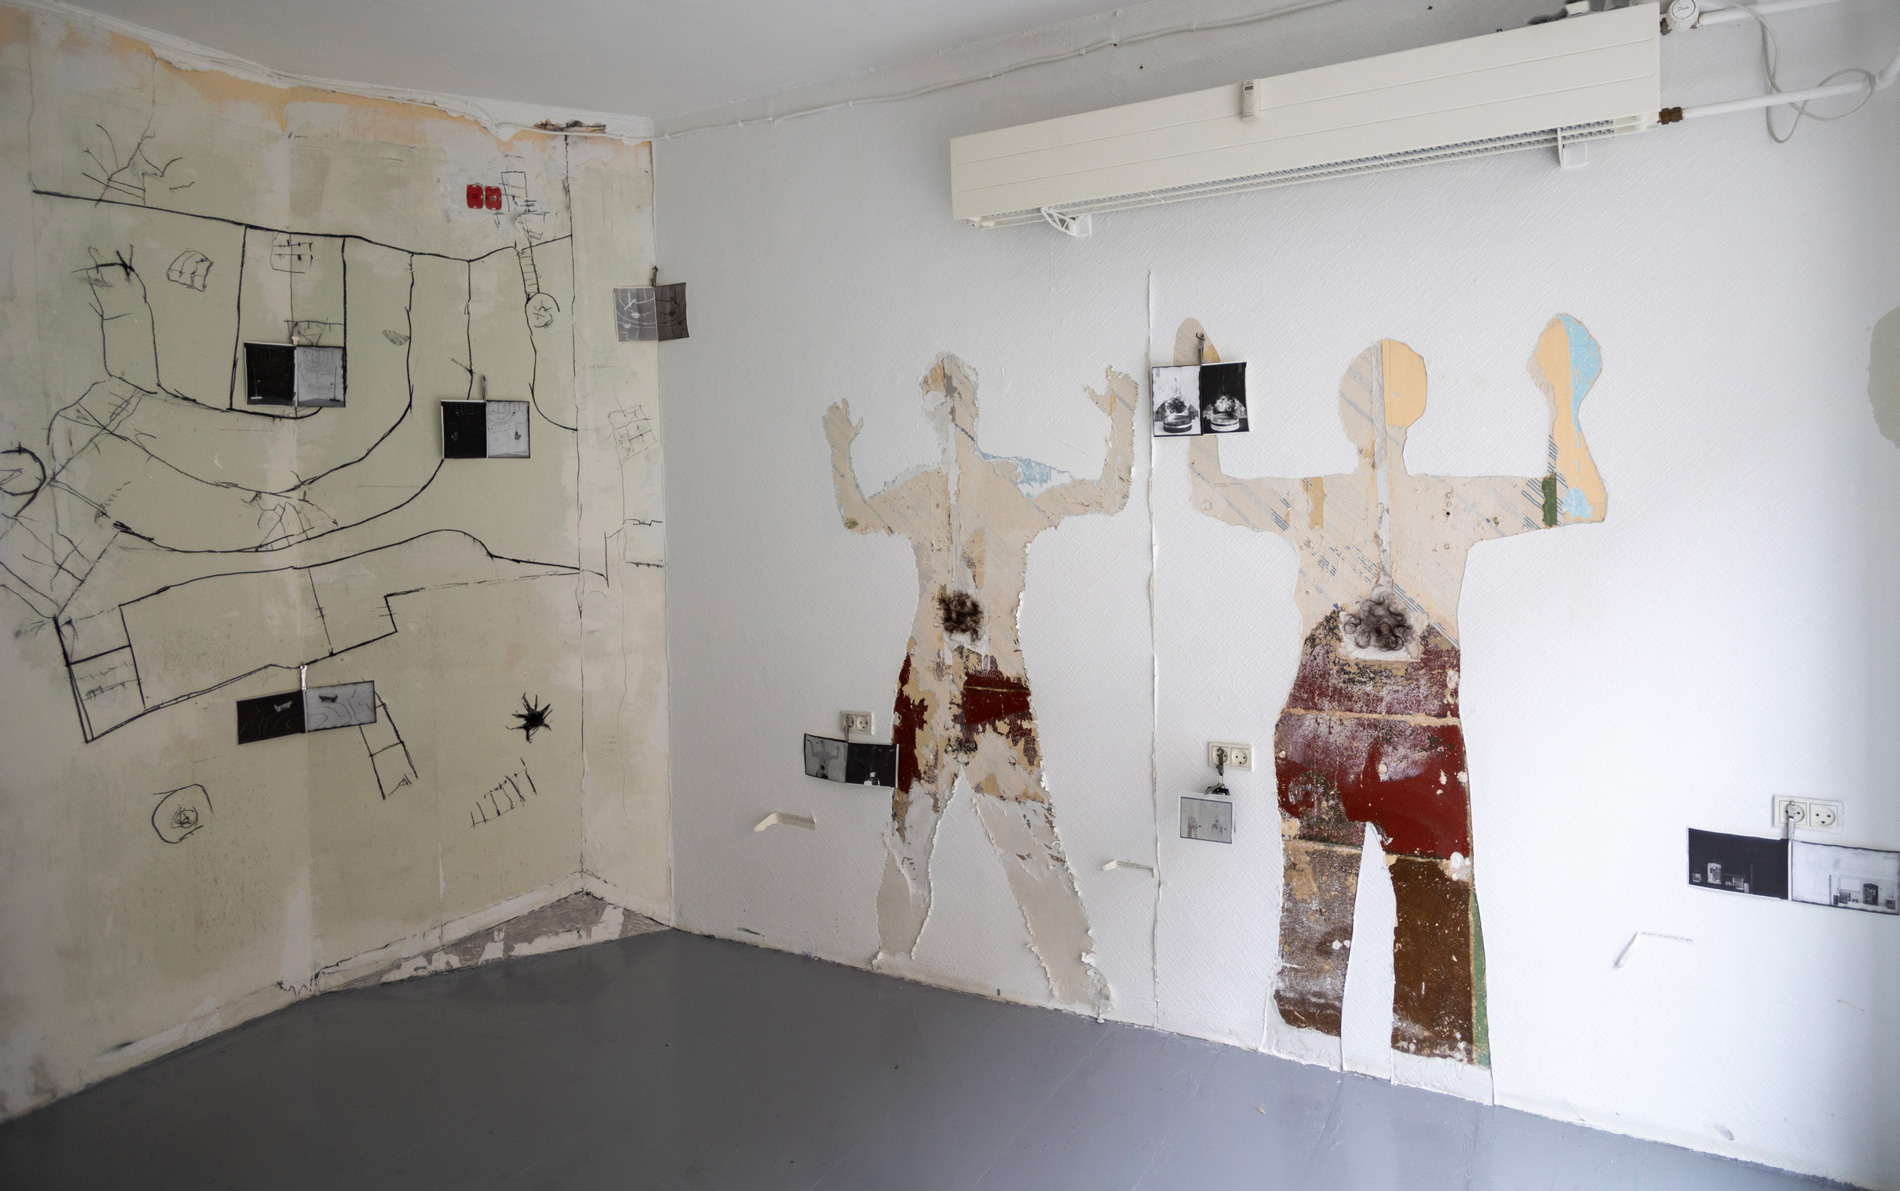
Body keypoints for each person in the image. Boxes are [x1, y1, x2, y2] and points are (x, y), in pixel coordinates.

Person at [1185, 315, 1607, 1065]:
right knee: (1347, 918)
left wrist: (1566, 396)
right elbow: (1578, 497)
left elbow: (1212, 491)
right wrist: (1563, 397)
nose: (1378, 413)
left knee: (1411, 913)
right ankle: (1348, 1051)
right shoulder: (1378, 498)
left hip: (1386, 741)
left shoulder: (1384, 499)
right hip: (1336, 736)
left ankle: (1397, 1059)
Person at [825, 353, 1135, 1010]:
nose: (948, 409)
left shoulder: (1012, 482)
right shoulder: (922, 490)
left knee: (1025, 831)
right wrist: (839, 450)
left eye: (956, 395)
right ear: (929, 411)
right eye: (938, 397)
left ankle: (1072, 977)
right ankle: (895, 955)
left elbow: (1108, 495)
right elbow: (856, 516)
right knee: (909, 825)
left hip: (993, 688)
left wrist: (1124, 420)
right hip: (926, 685)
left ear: (974, 405)